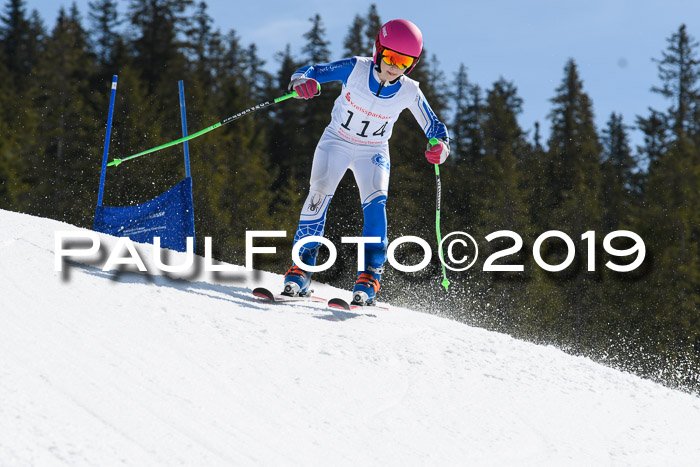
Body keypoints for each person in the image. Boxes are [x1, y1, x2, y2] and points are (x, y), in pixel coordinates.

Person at [282, 19, 450, 306]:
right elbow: (313, 71)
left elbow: (436, 128)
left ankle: (370, 275)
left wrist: (440, 148)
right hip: (336, 140)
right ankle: (301, 268)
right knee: (318, 193)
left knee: (375, 205)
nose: (395, 66)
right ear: (378, 50)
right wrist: (301, 82)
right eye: (391, 57)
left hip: (372, 150)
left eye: (404, 61)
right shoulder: (356, 68)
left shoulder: (410, 90)